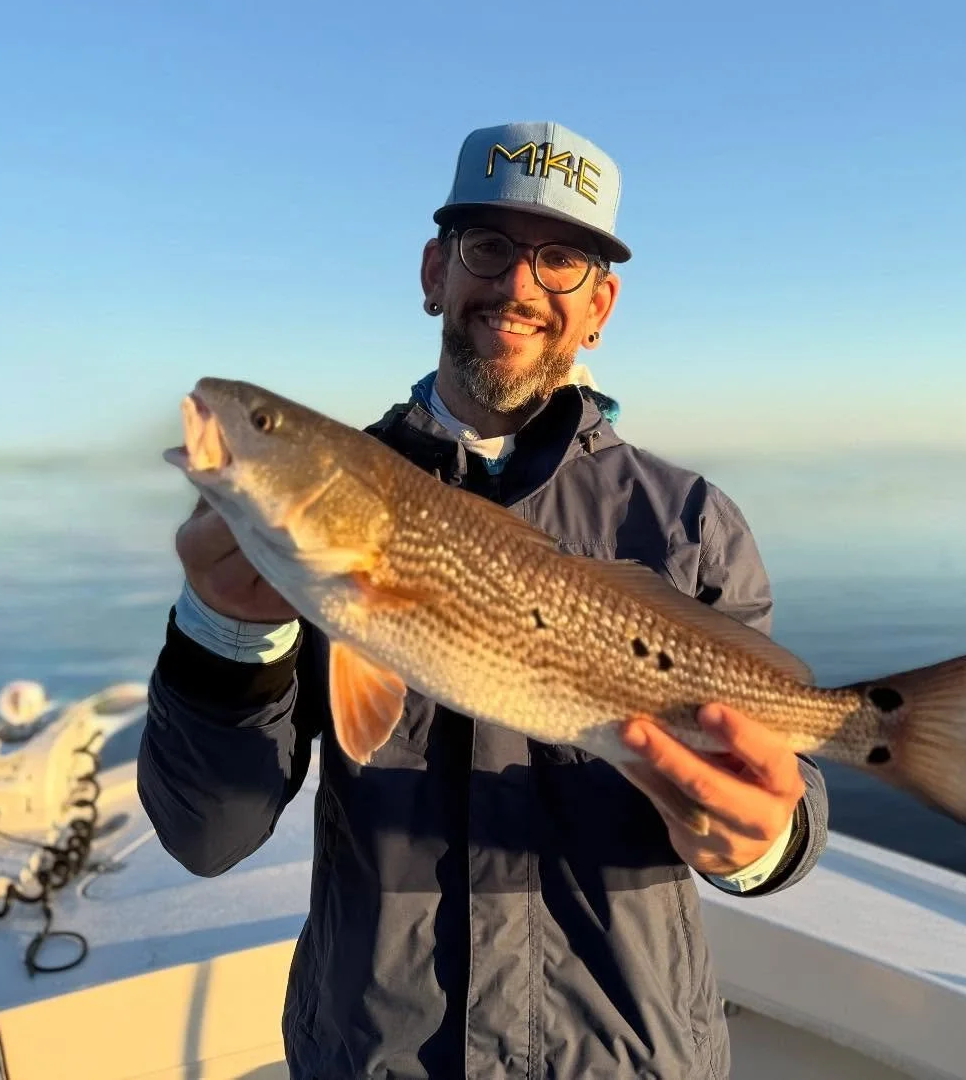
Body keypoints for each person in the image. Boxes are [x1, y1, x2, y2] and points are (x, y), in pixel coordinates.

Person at [138, 121, 830, 1079]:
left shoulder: (690, 523)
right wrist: (224, 635)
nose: (518, 285)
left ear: (600, 306)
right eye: (489, 247)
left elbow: (780, 774)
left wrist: (763, 839)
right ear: (436, 271)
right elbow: (206, 835)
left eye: (562, 260)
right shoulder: (304, 549)